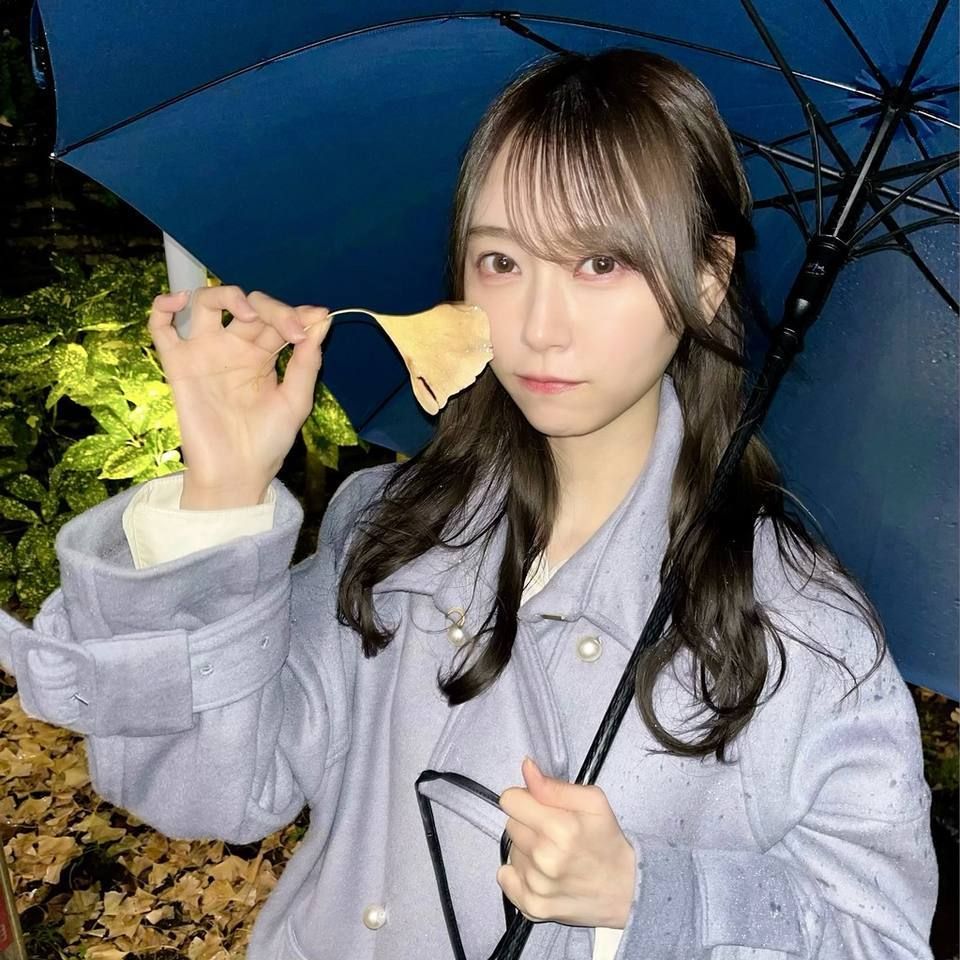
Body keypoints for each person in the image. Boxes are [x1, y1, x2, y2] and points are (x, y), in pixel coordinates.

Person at [0, 48, 938, 960]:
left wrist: (650, 896)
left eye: (600, 263)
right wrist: (223, 490)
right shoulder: (395, 529)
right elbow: (206, 792)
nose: (538, 326)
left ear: (706, 275)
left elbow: (877, 936)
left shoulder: (800, 631)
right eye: (501, 261)